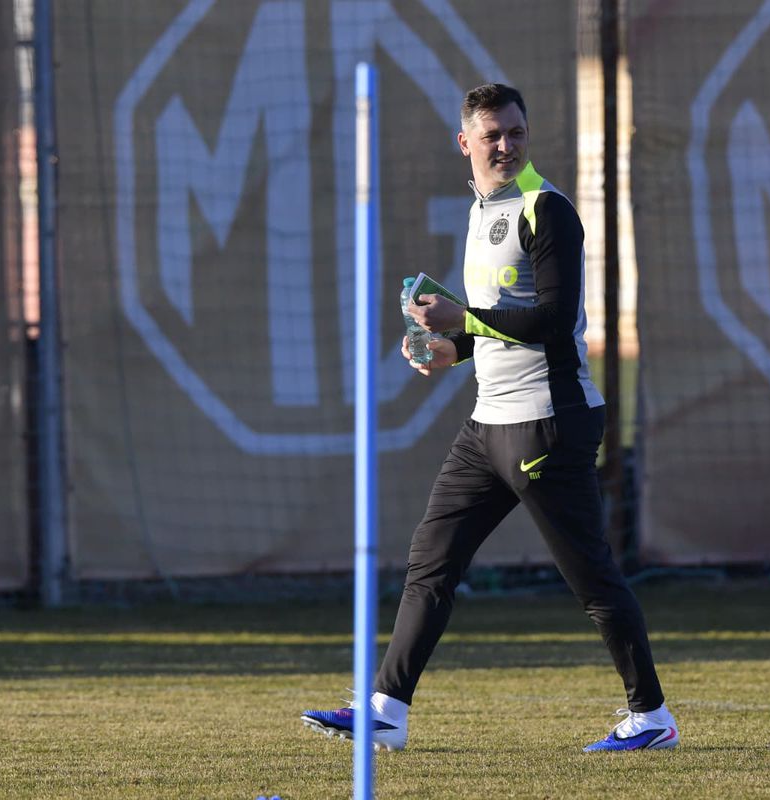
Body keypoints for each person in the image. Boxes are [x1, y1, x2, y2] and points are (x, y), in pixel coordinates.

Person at [300, 83, 678, 753]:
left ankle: (651, 719)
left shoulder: (546, 208)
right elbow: (505, 318)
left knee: (591, 579)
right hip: (487, 424)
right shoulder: (482, 210)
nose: (506, 145)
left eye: (516, 132)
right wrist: (454, 347)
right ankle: (387, 708)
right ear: (464, 142)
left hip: (547, 421)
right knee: (431, 560)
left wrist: (463, 320)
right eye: (493, 135)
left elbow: (554, 321)